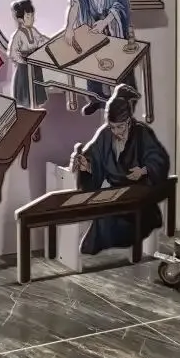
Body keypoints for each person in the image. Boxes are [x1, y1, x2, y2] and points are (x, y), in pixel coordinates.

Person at [70, 89, 170, 255]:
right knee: (104, 217)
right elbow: (93, 157)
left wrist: (143, 171)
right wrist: (86, 166)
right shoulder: (105, 134)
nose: (116, 132)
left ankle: (117, 250)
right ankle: (103, 252)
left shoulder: (141, 133)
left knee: (113, 222)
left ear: (129, 122)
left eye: (120, 127)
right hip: (116, 193)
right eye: (112, 127)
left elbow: (159, 159)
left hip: (139, 194)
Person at [64, 0, 134, 115]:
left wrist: (105, 22)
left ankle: (123, 102)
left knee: (118, 66)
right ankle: (96, 99)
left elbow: (119, 8)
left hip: (114, 31)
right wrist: (69, 27)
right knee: (92, 63)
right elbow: (75, 4)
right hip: (95, 31)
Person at [7, 0, 50, 109]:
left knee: (37, 87)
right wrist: (22, 60)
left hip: (35, 64)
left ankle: (36, 106)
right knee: (27, 89)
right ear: (21, 19)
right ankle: (28, 108)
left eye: (32, 16)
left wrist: (49, 42)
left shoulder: (33, 30)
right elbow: (13, 53)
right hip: (25, 67)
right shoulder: (18, 35)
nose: (31, 19)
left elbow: (40, 39)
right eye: (28, 17)